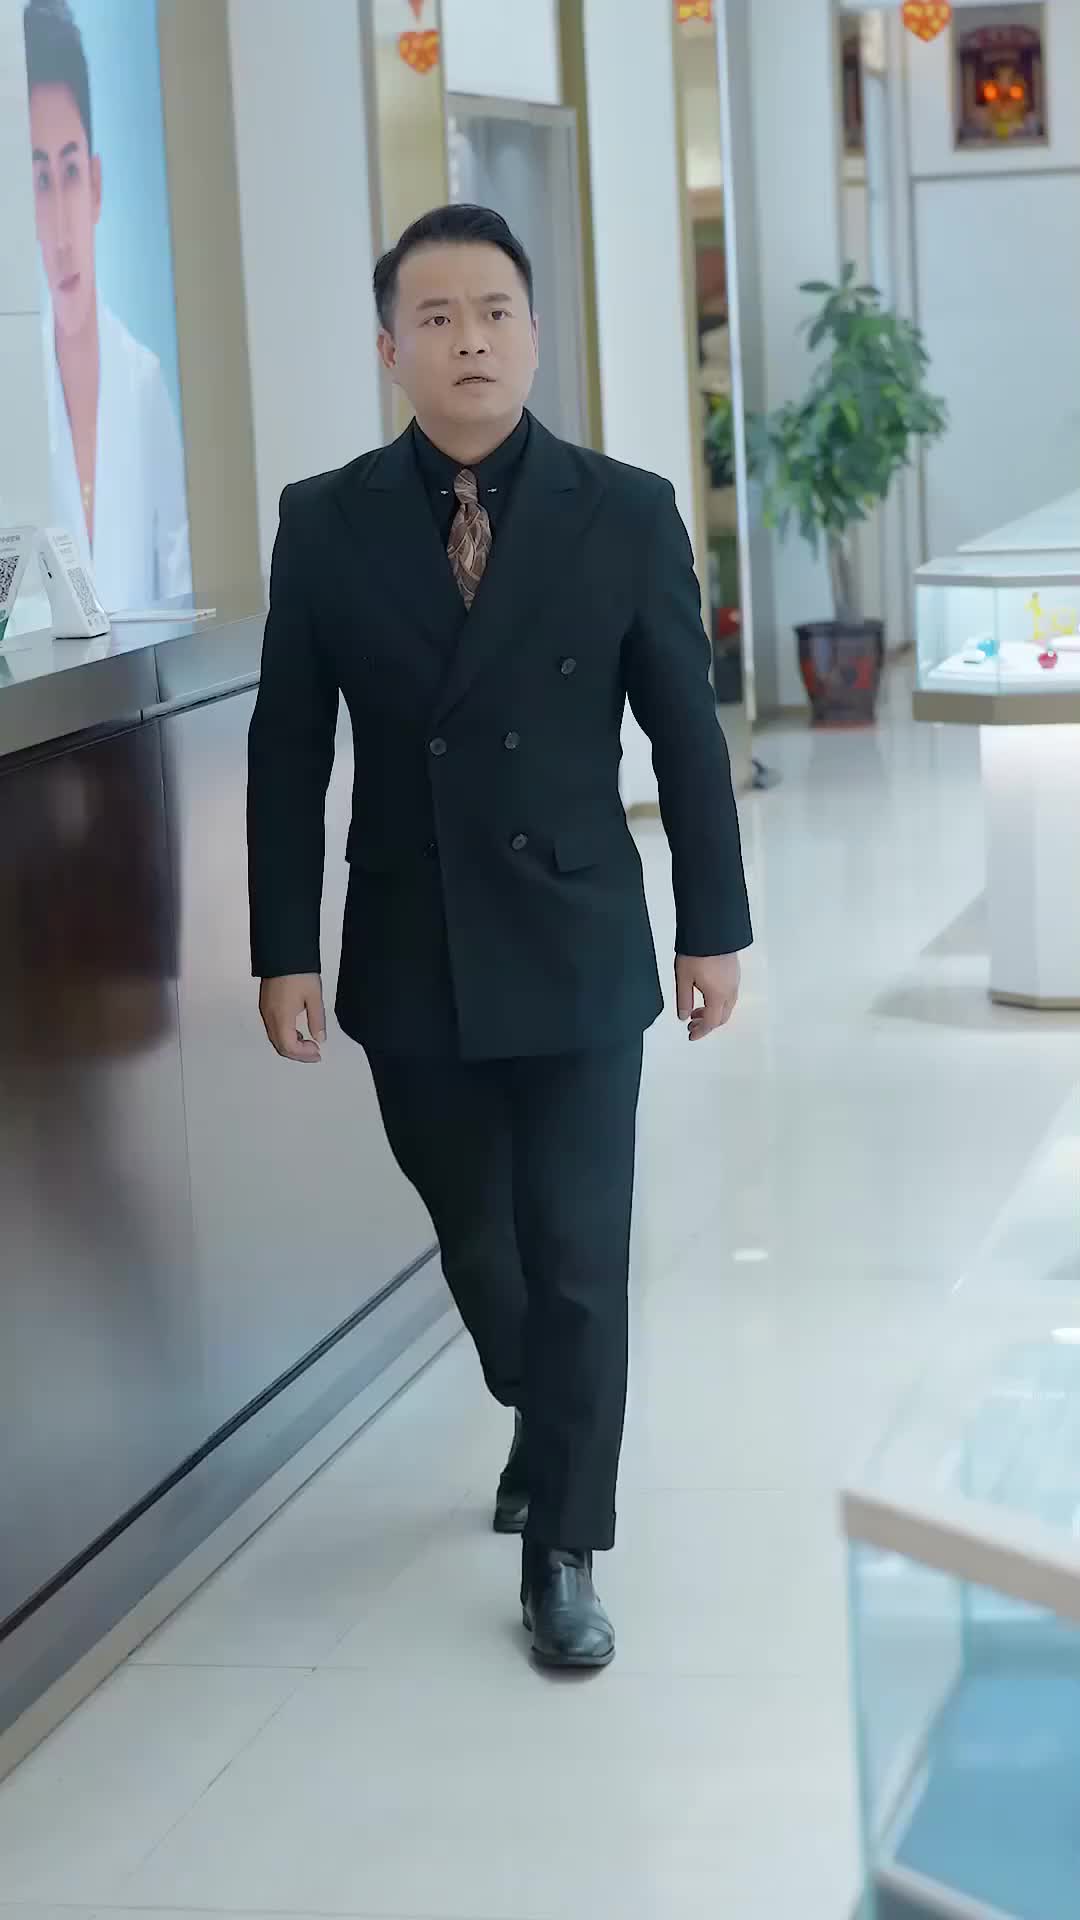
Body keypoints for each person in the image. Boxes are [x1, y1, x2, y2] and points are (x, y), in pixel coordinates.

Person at [248, 204, 752, 1671]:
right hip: (412, 942)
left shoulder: (626, 511)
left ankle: (565, 1552)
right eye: (438, 317)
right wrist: (284, 946)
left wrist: (713, 927)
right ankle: (542, 1402)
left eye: (495, 312)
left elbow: (688, 735)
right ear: (391, 350)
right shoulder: (326, 521)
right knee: (479, 1234)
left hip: (579, 934)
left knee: (581, 1249)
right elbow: (288, 750)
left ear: (534, 336)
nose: (469, 340)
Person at [24, 0, 192, 613]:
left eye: (69, 172)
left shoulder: (143, 382)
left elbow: (179, 585)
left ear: (95, 185)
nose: (61, 233)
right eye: (40, 181)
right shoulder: (17, 399)